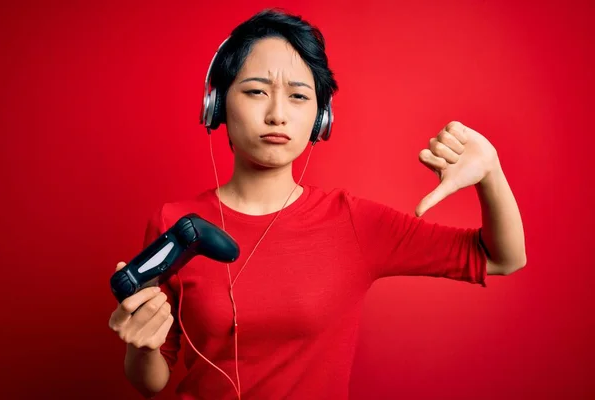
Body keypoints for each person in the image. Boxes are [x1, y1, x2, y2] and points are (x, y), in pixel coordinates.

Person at [108, 8, 527, 400]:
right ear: (216, 106)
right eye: (256, 91)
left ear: (321, 118)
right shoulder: (176, 222)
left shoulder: (354, 222)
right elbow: (152, 381)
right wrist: (142, 344)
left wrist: (491, 173)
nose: (277, 114)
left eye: (298, 96)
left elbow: (502, 258)